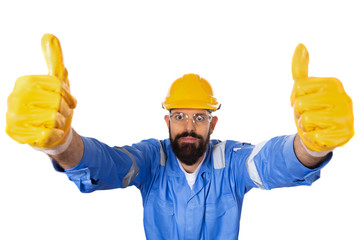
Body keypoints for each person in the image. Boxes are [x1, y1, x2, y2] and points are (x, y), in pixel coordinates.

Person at [6, 34, 354, 239]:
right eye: (179, 116)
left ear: (212, 125)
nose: (189, 126)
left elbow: (272, 163)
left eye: (200, 117)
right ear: (167, 122)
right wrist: (62, 144)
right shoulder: (149, 161)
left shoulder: (231, 162)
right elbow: (107, 165)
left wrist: (310, 145)